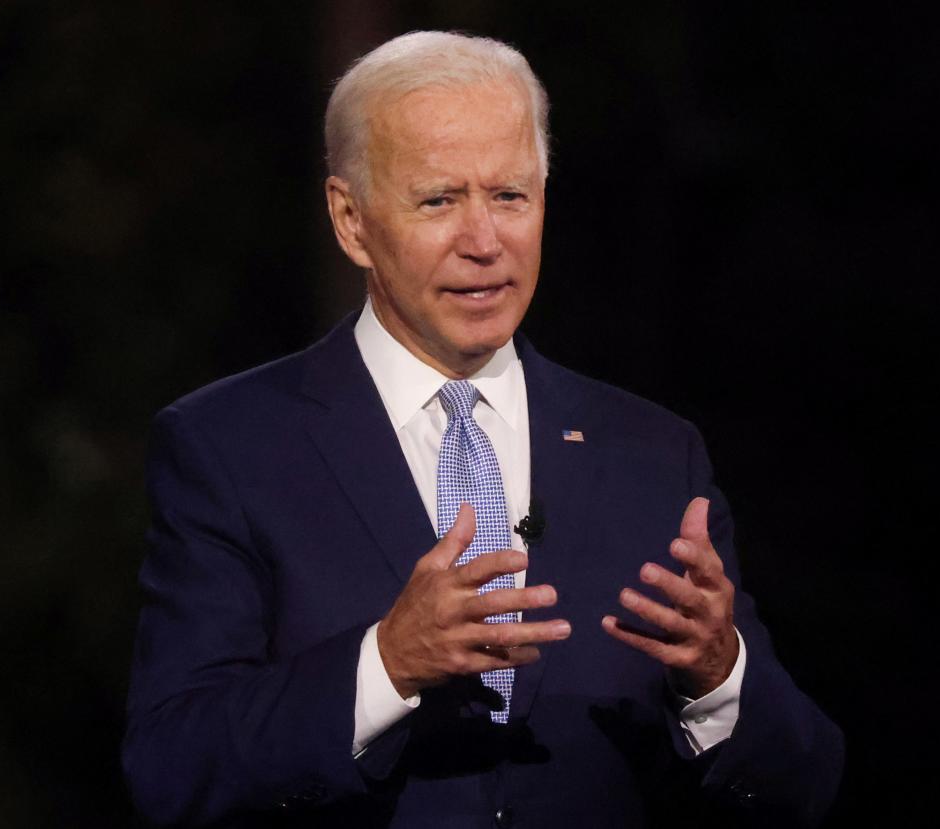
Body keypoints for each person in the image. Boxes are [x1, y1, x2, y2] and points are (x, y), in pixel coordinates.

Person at [123, 31, 843, 827]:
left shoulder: (653, 455)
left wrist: (721, 678)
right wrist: (385, 665)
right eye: (439, 199)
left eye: (510, 196)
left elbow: (801, 784)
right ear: (351, 220)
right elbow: (172, 768)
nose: (484, 241)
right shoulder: (229, 447)